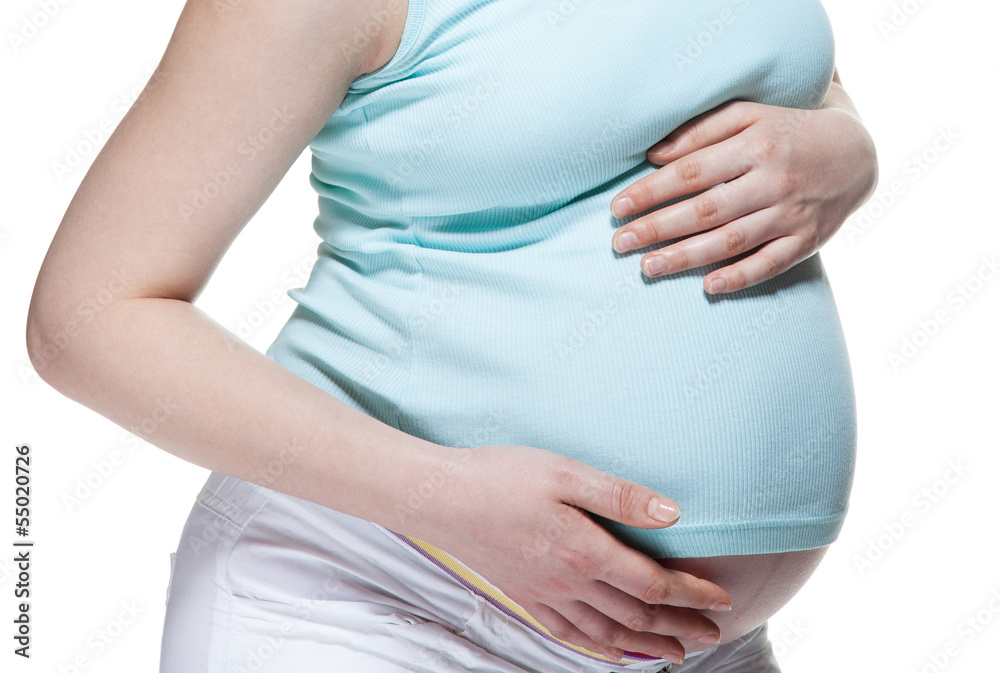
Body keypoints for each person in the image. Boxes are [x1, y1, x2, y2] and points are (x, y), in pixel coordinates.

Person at [26, 0, 877, 671]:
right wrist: (443, 498)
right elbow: (87, 317)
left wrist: (845, 143)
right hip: (375, 605)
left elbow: (782, 67)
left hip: (699, 647)